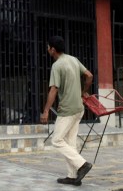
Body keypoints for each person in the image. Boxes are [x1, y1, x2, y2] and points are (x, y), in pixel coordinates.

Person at [40, 36, 94, 186]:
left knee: (56, 140)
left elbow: (53, 90)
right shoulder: (73, 59)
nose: (47, 49)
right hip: (79, 109)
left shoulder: (57, 66)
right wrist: (83, 91)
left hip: (68, 110)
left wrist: (45, 111)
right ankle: (72, 176)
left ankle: (82, 164)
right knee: (70, 143)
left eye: (48, 47)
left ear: (53, 49)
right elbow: (89, 76)